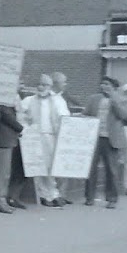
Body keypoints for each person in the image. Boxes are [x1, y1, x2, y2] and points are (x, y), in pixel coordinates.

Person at [84, 76, 127, 209]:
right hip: (94, 137)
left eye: (107, 84)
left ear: (114, 87)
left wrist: (114, 99)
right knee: (91, 168)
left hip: (111, 138)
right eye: (102, 84)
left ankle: (112, 198)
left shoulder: (122, 100)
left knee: (112, 170)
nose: (104, 86)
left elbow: (123, 116)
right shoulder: (94, 99)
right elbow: (86, 114)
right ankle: (89, 197)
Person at [19, 75, 65, 208]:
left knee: (52, 166)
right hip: (35, 137)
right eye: (39, 84)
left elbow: (64, 116)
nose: (41, 87)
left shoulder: (57, 100)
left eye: (44, 85)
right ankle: (43, 194)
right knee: (39, 166)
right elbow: (20, 114)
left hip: (51, 136)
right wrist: (27, 127)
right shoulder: (29, 100)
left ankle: (53, 193)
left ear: (50, 87)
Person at [0, 96, 25, 213]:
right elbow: (7, 116)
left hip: (8, 139)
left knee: (5, 172)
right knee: (2, 172)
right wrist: (20, 128)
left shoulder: (10, 99)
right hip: (4, 139)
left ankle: (0, 199)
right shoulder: (3, 99)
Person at [50, 72, 80, 203]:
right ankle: (53, 194)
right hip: (53, 135)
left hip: (65, 135)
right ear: (56, 83)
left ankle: (62, 194)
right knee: (53, 166)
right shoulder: (49, 98)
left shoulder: (61, 98)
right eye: (64, 82)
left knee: (64, 166)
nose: (65, 85)